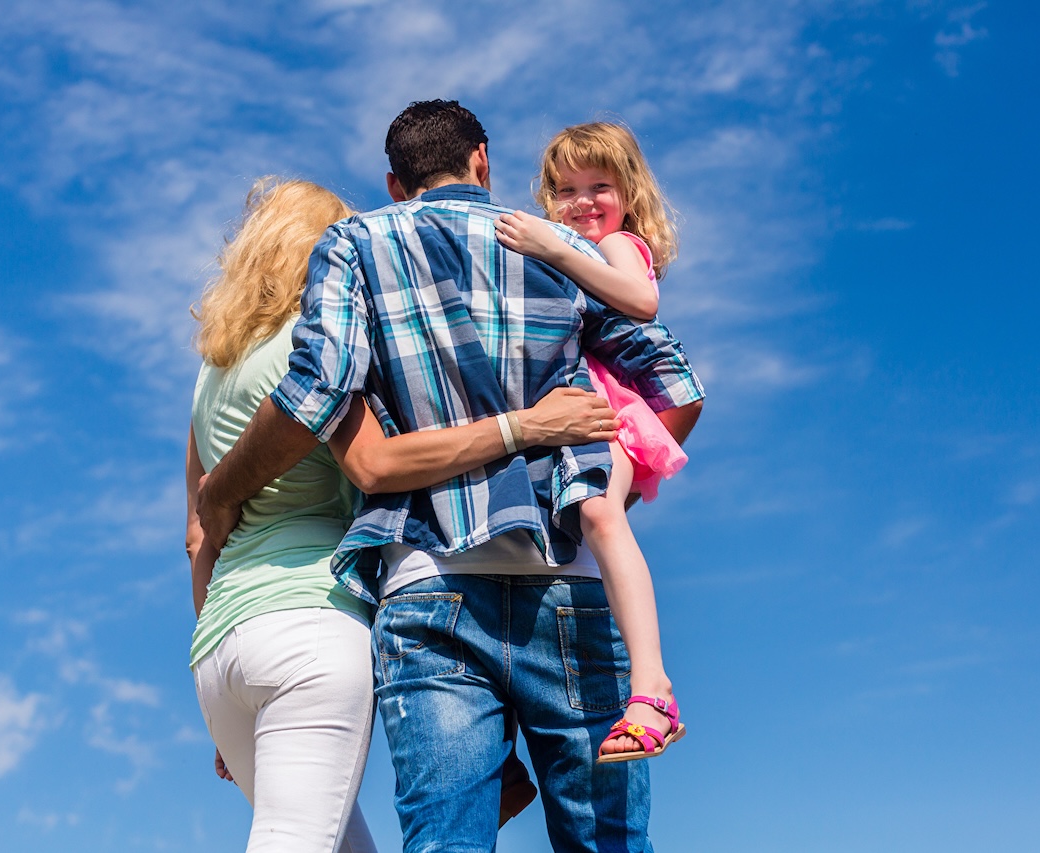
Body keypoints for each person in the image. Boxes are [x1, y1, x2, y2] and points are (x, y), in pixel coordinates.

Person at [196, 101, 705, 853]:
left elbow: (319, 388)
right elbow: (675, 384)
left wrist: (220, 489)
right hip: (566, 578)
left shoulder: (354, 244)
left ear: (395, 185)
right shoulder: (561, 247)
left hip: (425, 585)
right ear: (484, 162)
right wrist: (610, 484)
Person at [494, 122, 686, 761]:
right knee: (569, 536)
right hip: (580, 411)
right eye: (566, 190)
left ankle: (652, 687)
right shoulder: (573, 248)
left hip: (612, 410)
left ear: (629, 192)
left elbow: (641, 300)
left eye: (598, 186)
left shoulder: (622, 246)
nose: (582, 202)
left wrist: (556, 248)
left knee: (602, 514)